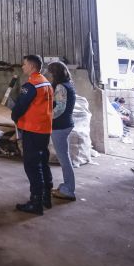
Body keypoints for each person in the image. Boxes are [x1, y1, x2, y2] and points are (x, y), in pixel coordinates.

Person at [11, 54, 54, 216]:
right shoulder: (46, 83)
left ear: (31, 66)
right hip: (44, 129)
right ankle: (46, 197)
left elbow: (20, 106)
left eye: (24, 65)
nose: (22, 67)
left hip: (32, 129)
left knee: (32, 165)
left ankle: (36, 202)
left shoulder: (31, 85)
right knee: (43, 162)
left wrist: (14, 117)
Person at [47, 61, 77, 201]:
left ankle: (69, 190)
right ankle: (66, 186)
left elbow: (59, 108)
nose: (49, 75)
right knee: (64, 157)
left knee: (64, 159)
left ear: (55, 73)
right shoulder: (69, 84)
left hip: (60, 126)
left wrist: (46, 118)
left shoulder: (60, 87)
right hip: (66, 124)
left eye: (51, 72)